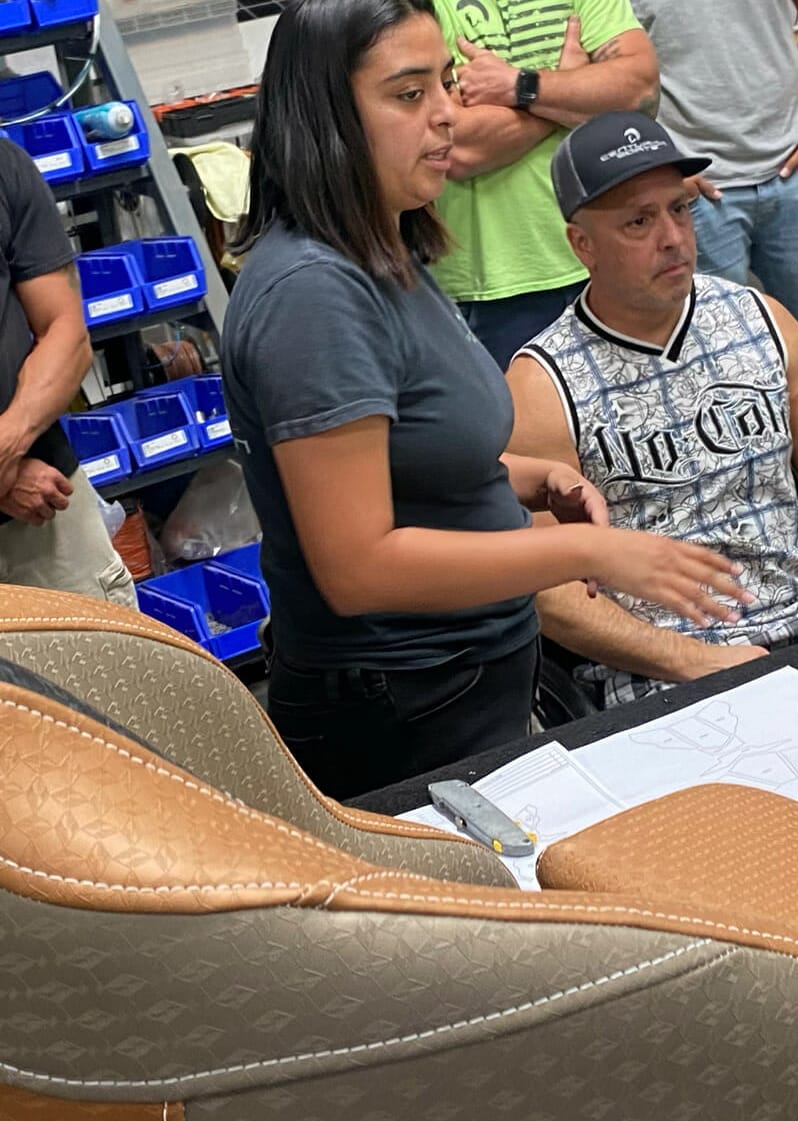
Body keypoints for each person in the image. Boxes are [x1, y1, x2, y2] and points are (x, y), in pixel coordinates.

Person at [223, 0, 752, 798]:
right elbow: (360, 567)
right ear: (326, 114)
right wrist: (589, 553)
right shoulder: (314, 295)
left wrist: (521, 477)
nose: (447, 115)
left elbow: (402, 461)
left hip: (464, 677)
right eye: (408, 95)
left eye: (446, 83)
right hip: (402, 702)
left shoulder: (385, 245)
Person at [508, 112, 798, 707]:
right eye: (638, 221)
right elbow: (547, 587)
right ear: (582, 245)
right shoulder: (542, 384)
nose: (673, 237)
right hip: (665, 666)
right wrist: (696, 660)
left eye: (679, 209)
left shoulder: (763, 320)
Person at [631, 0, 798, 422]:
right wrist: (659, 173)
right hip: (695, 193)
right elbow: (608, 70)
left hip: (796, 177)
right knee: (713, 376)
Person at [433, 0, 657, 367]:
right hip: (492, 288)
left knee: (634, 414)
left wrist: (519, 86)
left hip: (610, 263)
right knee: (520, 423)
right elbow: (456, 147)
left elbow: (639, 91)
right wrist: (571, 93)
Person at [0, 138, 136, 607]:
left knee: (110, 669)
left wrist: (7, 443)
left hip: (44, 507)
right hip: (22, 483)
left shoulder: (5, 166)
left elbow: (66, 334)